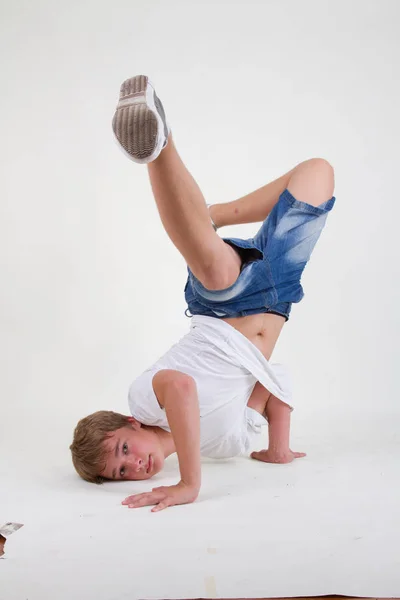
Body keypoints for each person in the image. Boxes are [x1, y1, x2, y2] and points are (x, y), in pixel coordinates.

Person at [70, 74, 336, 512]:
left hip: (222, 311)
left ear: (131, 423)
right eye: (121, 471)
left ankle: (159, 143)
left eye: (122, 449)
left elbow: (181, 387)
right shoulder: (221, 445)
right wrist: (278, 449)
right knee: (318, 173)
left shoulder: (145, 399)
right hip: (278, 298)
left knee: (214, 266)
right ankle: (213, 215)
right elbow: (272, 389)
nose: (134, 464)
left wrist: (189, 484)